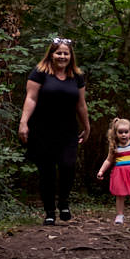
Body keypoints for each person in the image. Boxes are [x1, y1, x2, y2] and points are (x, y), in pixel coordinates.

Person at [18, 37, 90, 225]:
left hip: (68, 130)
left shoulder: (77, 76)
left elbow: (81, 104)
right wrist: (24, 122)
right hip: (42, 130)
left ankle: (63, 202)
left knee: (68, 165)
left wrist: (87, 126)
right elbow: (31, 98)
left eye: (66, 53)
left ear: (71, 56)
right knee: (47, 171)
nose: (62, 56)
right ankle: (49, 211)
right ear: (51, 54)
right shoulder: (40, 73)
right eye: (59, 53)